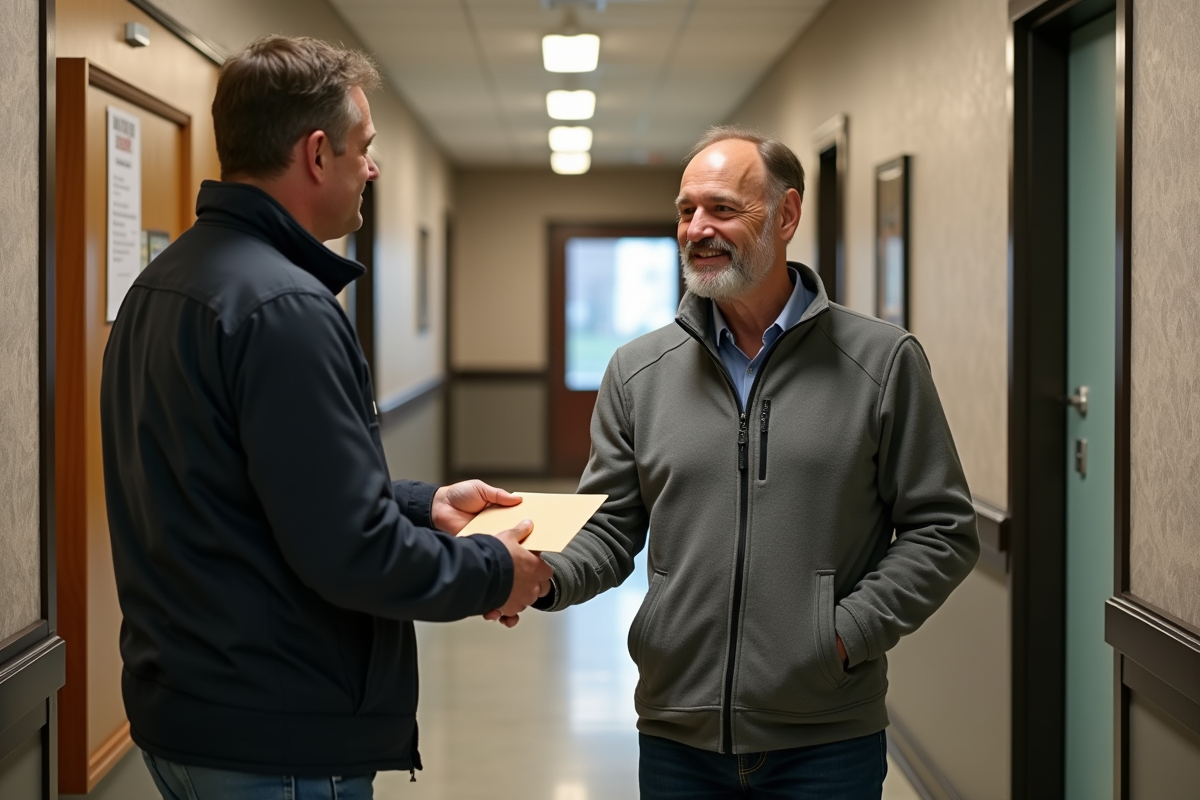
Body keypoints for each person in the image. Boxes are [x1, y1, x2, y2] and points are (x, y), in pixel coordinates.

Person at [100, 35, 551, 800]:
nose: (371, 168)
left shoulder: (162, 284)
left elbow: (247, 484)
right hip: (276, 739)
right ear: (317, 154)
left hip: (185, 714)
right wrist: (494, 572)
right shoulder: (286, 308)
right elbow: (351, 552)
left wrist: (423, 504)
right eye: (364, 148)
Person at [532, 127, 979, 798]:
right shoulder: (637, 371)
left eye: (720, 209)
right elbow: (609, 527)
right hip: (678, 733)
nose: (697, 229)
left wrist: (843, 634)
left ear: (787, 214)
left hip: (826, 739)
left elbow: (943, 529)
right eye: (686, 211)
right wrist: (540, 576)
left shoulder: (881, 362)